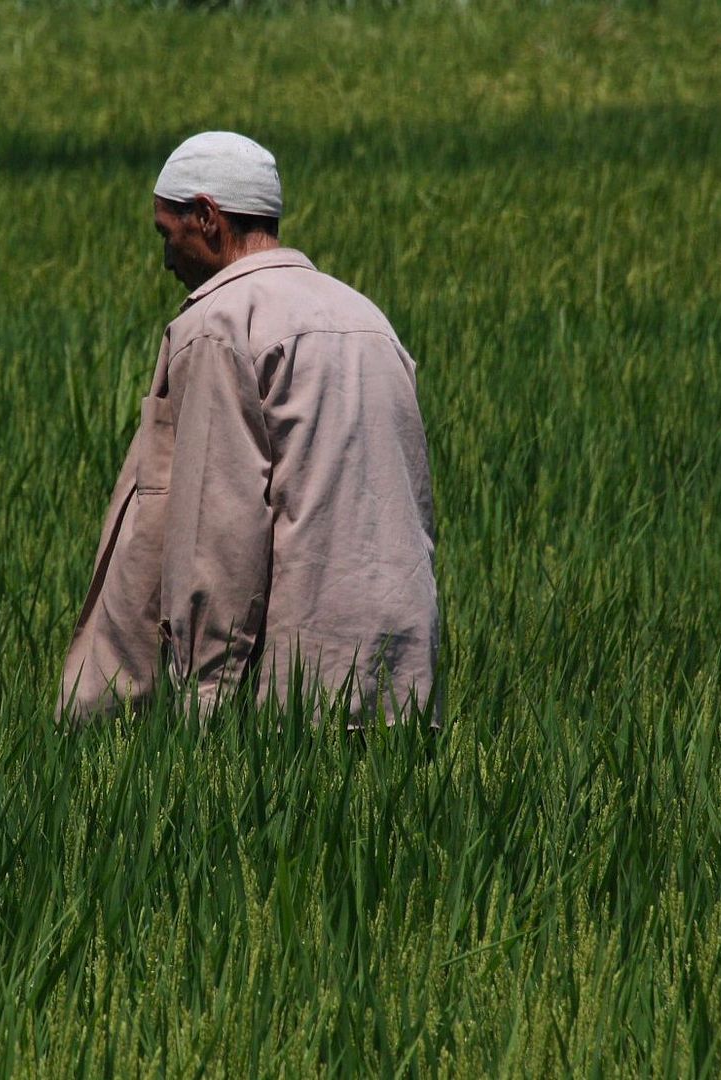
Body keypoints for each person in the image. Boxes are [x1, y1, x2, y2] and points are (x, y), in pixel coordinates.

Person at [57, 131, 439, 726]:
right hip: (400, 681)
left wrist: (205, 697)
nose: (165, 259)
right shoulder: (366, 317)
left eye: (167, 234)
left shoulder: (219, 324)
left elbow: (220, 525)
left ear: (207, 217)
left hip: (290, 693)